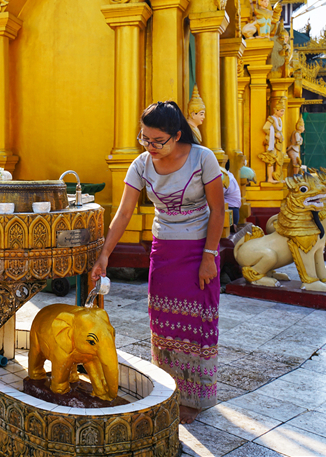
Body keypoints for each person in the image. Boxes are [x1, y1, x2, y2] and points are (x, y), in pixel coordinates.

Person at [90, 101, 224, 425]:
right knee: (163, 323)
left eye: (157, 141)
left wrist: (209, 256)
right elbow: (123, 213)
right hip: (163, 250)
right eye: (144, 139)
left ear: (177, 136)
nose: (150, 147)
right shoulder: (141, 164)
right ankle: (168, 389)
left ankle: (193, 398)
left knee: (195, 325)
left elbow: (218, 211)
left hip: (197, 250)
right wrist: (105, 254)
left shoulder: (202, 158)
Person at [223, 159, 241, 228]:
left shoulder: (226, 178)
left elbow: (214, 196)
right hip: (232, 210)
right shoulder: (228, 175)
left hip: (230, 211)